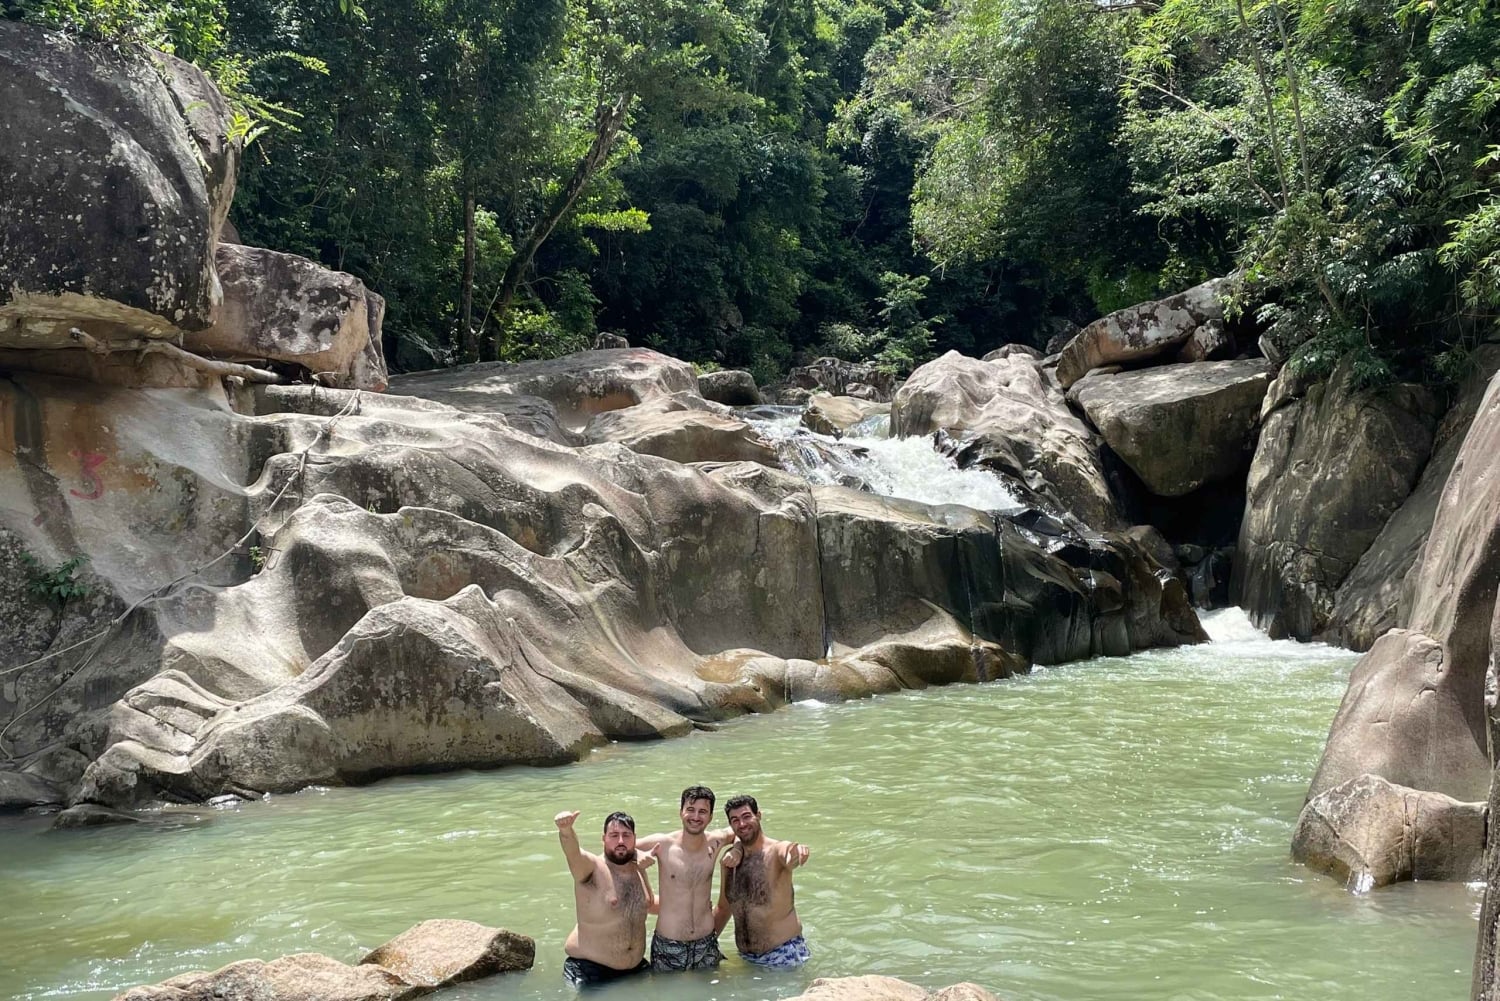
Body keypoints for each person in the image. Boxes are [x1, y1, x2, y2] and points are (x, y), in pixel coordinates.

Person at [634, 785, 737, 971]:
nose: (696, 817)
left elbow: (741, 830)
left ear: (711, 817)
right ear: (681, 812)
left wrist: (737, 849)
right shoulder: (663, 843)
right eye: (690, 810)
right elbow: (615, 849)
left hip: (706, 944)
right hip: (669, 945)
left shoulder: (716, 841)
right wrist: (635, 855)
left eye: (703, 812)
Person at [554, 809, 657, 987]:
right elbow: (573, 853)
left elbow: (651, 904)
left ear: (634, 838)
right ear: (603, 839)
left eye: (626, 835)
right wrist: (566, 830)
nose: (620, 841)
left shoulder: (639, 867)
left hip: (635, 969)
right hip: (591, 972)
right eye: (614, 835)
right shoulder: (591, 869)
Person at [714, 794, 812, 968]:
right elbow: (723, 908)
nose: (742, 824)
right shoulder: (730, 861)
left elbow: (788, 852)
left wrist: (796, 852)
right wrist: (705, 944)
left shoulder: (775, 852)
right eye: (735, 820)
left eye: (746, 817)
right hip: (746, 958)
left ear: (758, 815)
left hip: (782, 955)